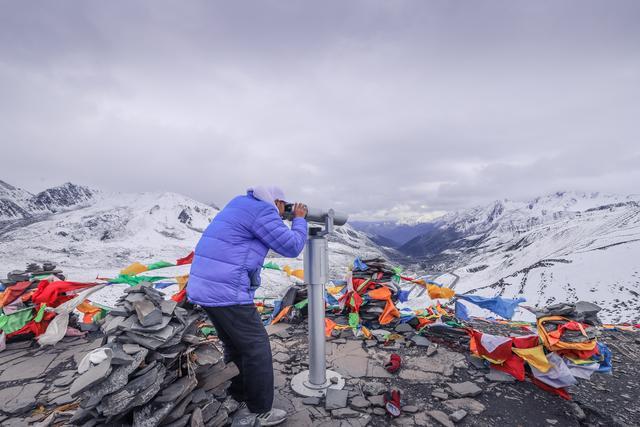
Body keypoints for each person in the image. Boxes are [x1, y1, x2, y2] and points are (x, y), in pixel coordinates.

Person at [187, 186, 308, 427]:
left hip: (206, 289)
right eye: (282, 205)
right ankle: (260, 410)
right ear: (276, 201)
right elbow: (292, 246)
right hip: (226, 291)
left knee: (235, 344)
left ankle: (237, 395)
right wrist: (299, 219)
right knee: (257, 348)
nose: (282, 210)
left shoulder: (240, 204)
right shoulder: (263, 211)